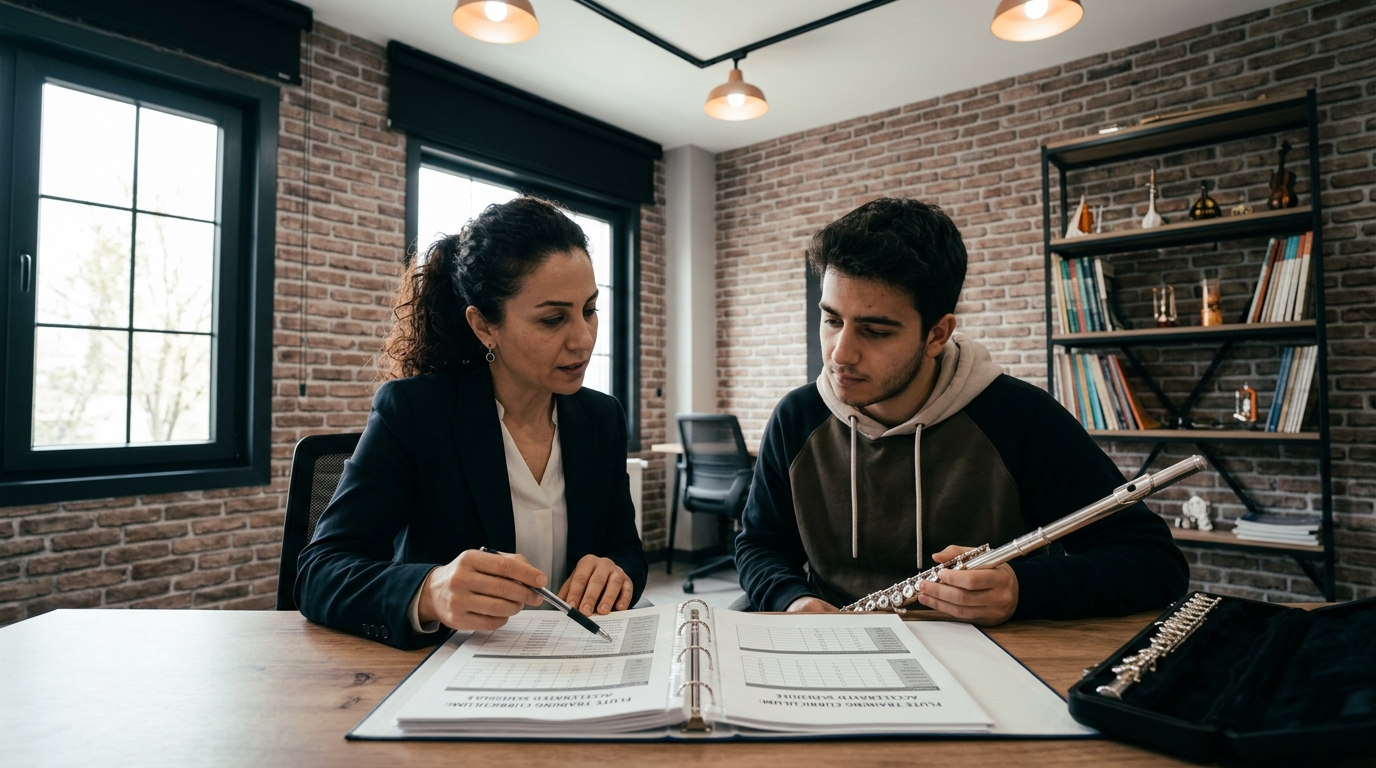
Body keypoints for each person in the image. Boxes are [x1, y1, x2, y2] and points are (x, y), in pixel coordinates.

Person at [735, 198, 1188, 623]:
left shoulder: (1021, 418)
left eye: (874, 331)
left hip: (985, 668)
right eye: (832, 320)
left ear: (937, 334)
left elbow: (1154, 562)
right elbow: (760, 545)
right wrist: (791, 599)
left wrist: (1022, 589)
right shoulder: (797, 417)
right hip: (832, 659)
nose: (840, 354)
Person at [296, 196, 647, 649]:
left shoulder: (601, 417)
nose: (583, 339)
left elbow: (627, 550)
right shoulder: (416, 412)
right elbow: (320, 571)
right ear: (484, 326)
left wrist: (615, 570)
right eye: (553, 318)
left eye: (590, 310)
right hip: (454, 672)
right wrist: (429, 591)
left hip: (577, 660)